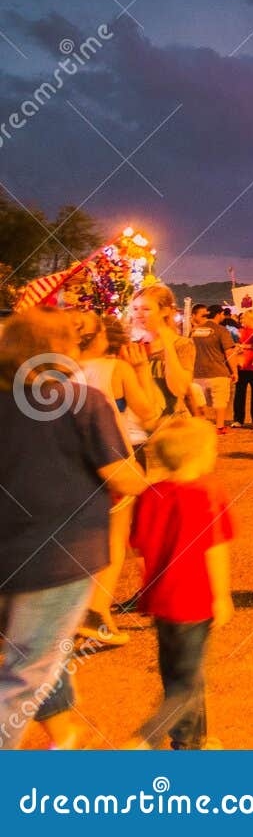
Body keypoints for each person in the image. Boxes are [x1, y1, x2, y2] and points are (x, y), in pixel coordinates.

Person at [0, 309, 146, 750]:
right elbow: (121, 476)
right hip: (61, 554)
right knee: (26, 671)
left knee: (36, 649)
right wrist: (154, 478)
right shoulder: (82, 401)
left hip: (9, 554)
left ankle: (62, 735)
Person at [126, 418, 233, 750]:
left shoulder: (149, 495)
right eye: (212, 449)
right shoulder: (207, 493)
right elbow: (215, 549)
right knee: (186, 681)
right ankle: (150, 737)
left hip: (161, 600)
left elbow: (138, 549)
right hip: (195, 599)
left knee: (177, 670)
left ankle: (194, 740)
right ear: (197, 456)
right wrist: (222, 596)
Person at [73, 313, 163, 647]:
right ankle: (97, 612)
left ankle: (71, 612)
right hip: (115, 456)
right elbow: (149, 413)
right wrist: (142, 370)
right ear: (101, 338)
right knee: (114, 537)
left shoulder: (56, 369)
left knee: (76, 537)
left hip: (71, 459)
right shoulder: (116, 369)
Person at [187, 305, 236, 433]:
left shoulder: (194, 331)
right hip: (218, 371)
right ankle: (219, 427)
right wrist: (234, 371)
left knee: (199, 402)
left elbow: (188, 351)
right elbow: (229, 352)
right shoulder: (221, 330)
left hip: (198, 373)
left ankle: (200, 427)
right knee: (220, 402)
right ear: (218, 314)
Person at [232, 309, 253, 429]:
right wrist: (237, 347)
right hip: (242, 366)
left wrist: (245, 346)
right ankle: (238, 419)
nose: (242, 320)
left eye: (244, 318)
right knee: (239, 393)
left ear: (250, 318)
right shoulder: (241, 331)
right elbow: (236, 344)